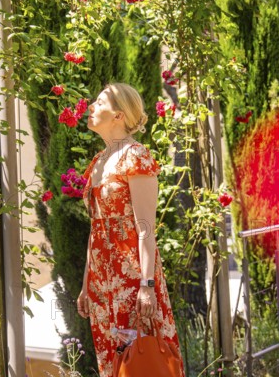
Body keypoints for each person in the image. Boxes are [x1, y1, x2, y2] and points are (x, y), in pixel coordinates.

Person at [77, 83, 185, 376]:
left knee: (139, 359)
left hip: (131, 279)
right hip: (101, 281)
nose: (91, 107)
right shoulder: (99, 162)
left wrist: (147, 286)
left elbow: (146, 228)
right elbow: (95, 227)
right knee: (112, 362)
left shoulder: (135, 156)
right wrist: (87, 283)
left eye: (100, 103)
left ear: (119, 115)